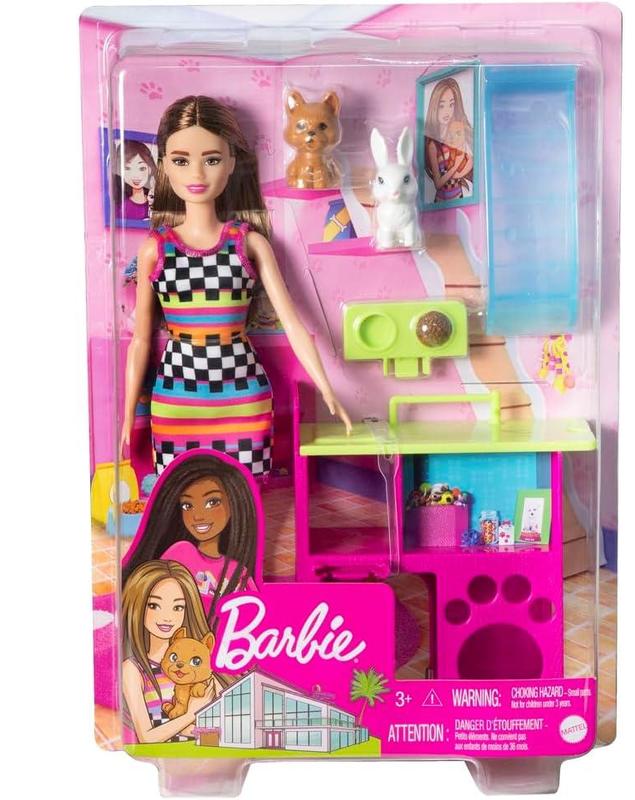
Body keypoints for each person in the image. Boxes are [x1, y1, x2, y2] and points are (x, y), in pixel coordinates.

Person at [120, 95, 351, 476]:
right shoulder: (155, 249)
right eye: (181, 160)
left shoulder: (248, 243)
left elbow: (293, 324)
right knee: (180, 491)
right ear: (163, 165)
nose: (197, 174)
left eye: (211, 159)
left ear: (231, 163)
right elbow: (141, 340)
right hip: (178, 393)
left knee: (247, 494)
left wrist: (327, 388)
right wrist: (128, 412)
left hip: (242, 392)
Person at [122, 452, 258, 621]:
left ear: (234, 504)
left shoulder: (238, 571)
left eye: (212, 502)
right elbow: (150, 594)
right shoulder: (179, 554)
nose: (198, 516)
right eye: (187, 505)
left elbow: (257, 613)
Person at [121, 560, 226, 743]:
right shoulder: (133, 669)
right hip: (161, 754)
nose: (167, 617)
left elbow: (227, 725)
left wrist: (193, 730)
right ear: (137, 605)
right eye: (154, 605)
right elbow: (147, 737)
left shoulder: (199, 664)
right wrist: (191, 714)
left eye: (178, 607)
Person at [423, 77, 474, 202]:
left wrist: (461, 169)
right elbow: (438, 184)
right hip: (442, 201)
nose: (447, 112)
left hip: (460, 196)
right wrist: (455, 168)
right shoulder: (433, 144)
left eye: (451, 105)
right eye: (441, 106)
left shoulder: (457, 131)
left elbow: (469, 159)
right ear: (434, 107)